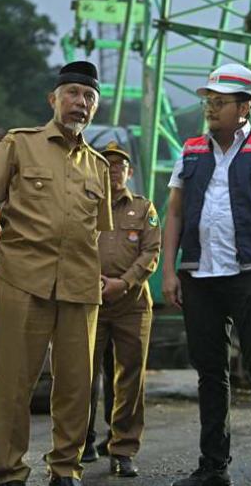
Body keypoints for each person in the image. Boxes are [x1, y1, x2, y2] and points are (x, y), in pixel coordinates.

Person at [0, 61, 112, 486]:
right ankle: (10, 471)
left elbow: (99, 232)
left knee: (76, 385)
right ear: (54, 99)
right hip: (23, 277)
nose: (80, 103)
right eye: (72, 94)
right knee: (14, 382)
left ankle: (65, 469)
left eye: (88, 97)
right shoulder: (20, 143)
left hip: (80, 284)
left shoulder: (99, 167)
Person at [163, 63, 251, 486]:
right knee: (210, 371)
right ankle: (213, 468)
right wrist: (169, 271)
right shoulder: (190, 150)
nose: (211, 107)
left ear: (245, 106)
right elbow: (174, 212)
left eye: (220, 101)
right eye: (209, 100)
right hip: (199, 274)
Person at [82, 141, 161, 477]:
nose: (113, 170)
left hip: (132, 304)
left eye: (120, 165)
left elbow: (151, 251)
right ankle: (77, 445)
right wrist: (94, 281)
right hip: (89, 300)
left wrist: (123, 282)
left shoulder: (144, 209)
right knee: (81, 374)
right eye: (107, 164)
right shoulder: (85, 206)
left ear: (129, 172)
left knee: (130, 377)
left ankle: (123, 449)